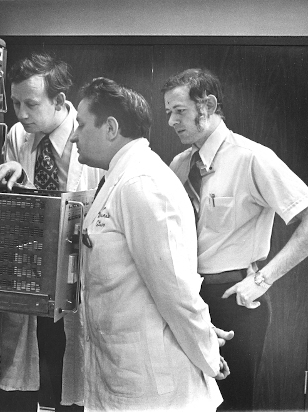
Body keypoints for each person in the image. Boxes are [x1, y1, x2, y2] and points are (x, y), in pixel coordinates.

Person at [161, 68, 308, 410]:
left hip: (233, 300)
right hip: (188, 300)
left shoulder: (252, 157)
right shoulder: (181, 165)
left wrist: (263, 278)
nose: (171, 121)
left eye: (179, 111)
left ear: (207, 106)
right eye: (168, 112)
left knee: (232, 403)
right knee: (186, 401)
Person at [71, 77, 226, 411]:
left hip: (155, 388)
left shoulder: (141, 183)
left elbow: (177, 293)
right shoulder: (119, 178)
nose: (73, 135)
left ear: (110, 127)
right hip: (124, 374)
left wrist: (210, 356)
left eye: (81, 125)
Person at [0, 53, 101, 412]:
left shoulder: (92, 139)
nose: (21, 113)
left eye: (31, 104)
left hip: (80, 277)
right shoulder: (18, 136)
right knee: (26, 375)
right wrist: (16, 179)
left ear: (59, 100)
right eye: (16, 102)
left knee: (73, 374)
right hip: (32, 274)